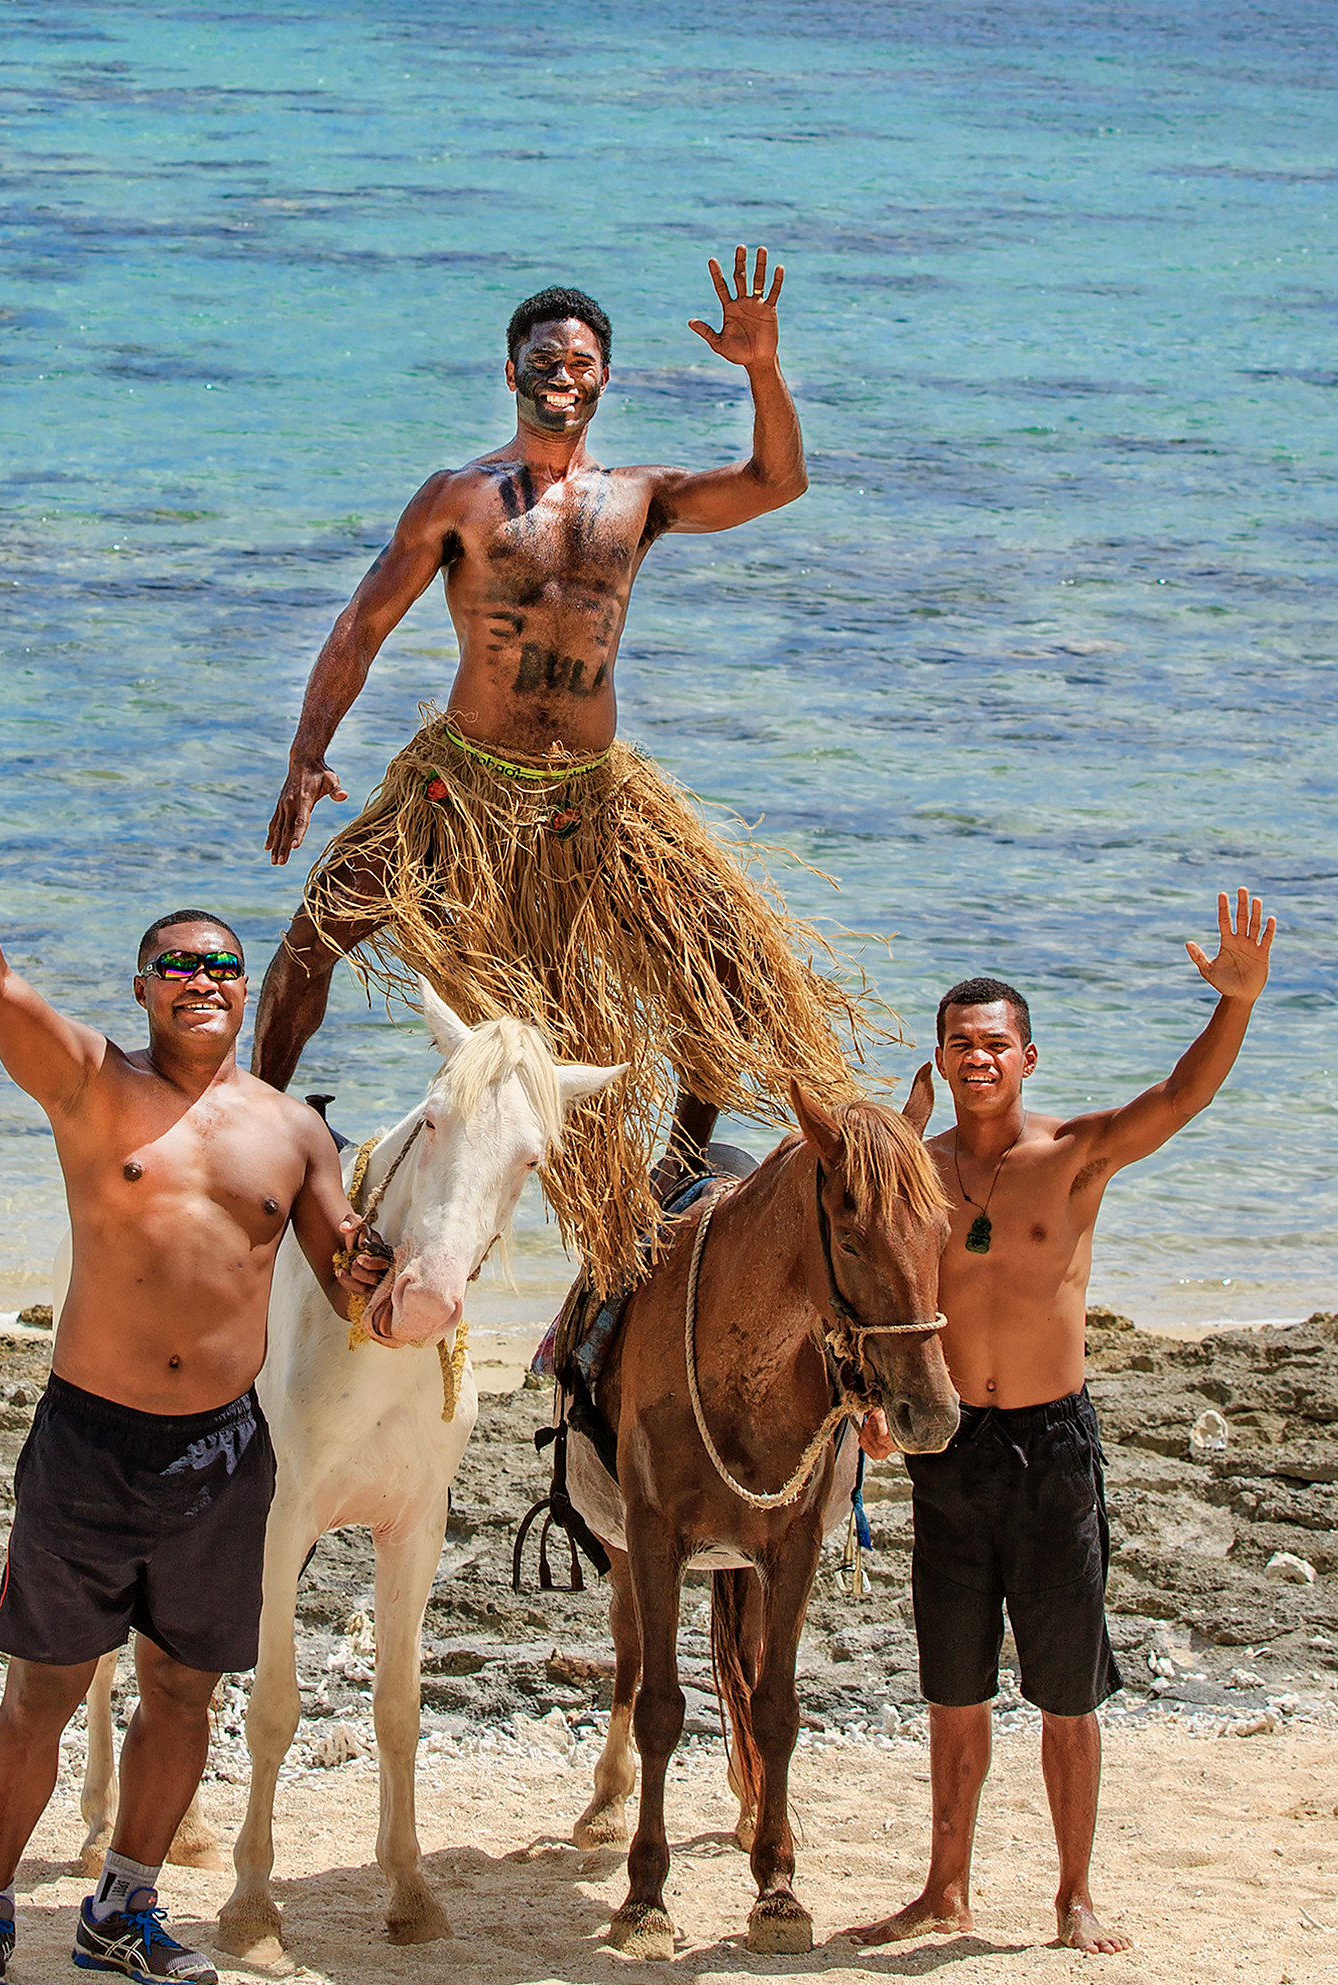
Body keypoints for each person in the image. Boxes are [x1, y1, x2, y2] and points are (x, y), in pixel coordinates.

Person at [252, 247, 875, 1300]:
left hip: (594, 798)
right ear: (511, 373)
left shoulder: (642, 497)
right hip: (458, 785)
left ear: (602, 380)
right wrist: (309, 751)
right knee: (312, 941)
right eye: (544, 357)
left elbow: (779, 482)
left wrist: (761, 368)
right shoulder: (458, 497)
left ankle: (677, 1172)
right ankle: (256, 1137)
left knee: (715, 974)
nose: (563, 373)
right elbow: (364, 620)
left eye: (582, 361)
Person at [0, 754, 394, 1985]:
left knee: (183, 1688)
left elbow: (344, 1272)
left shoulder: (293, 1127)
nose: (204, 980)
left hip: (222, 1450)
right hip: (91, 1439)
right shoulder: (94, 1086)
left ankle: (125, 1903)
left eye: (223, 964)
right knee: (43, 1688)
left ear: (245, 984)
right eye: (180, 965)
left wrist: (406, 1276)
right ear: (145, 989)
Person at [851, 889, 1276, 1955]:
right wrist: (867, 1403)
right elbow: (869, 1292)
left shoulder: (1076, 1150)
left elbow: (1180, 1097)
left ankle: (1074, 1893)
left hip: (1052, 1445)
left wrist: (1237, 1002)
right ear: (941, 1061)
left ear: (1028, 1056)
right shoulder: (918, 1171)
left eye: (995, 1042)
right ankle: (945, 1888)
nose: (978, 1057)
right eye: (960, 1044)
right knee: (954, 1684)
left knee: (1066, 1689)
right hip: (949, 1447)